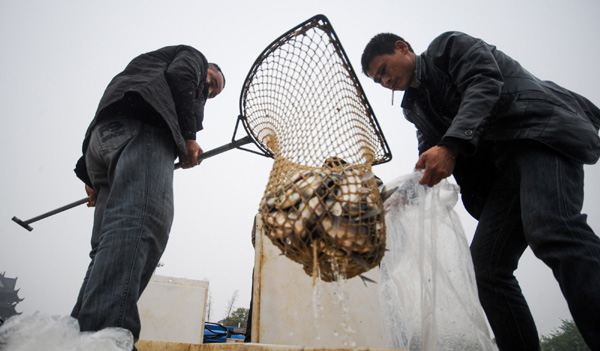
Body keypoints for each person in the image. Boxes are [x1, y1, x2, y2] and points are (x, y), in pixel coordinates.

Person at [361, 32, 600, 351]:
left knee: (552, 228)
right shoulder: (415, 108)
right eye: (378, 80)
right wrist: (404, 194)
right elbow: (427, 156)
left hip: (539, 135)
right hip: (506, 175)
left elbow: (484, 84)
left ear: (402, 48)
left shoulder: (449, 48)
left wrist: (451, 145)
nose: (385, 80)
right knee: (486, 269)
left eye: (384, 69)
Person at [71, 45, 225, 347]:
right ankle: (106, 338)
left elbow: (111, 109)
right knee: (141, 223)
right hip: (143, 131)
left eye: (214, 92)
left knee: (104, 245)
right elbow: (180, 75)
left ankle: (76, 338)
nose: (209, 90)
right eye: (211, 82)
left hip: (102, 145)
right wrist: (189, 137)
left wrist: (89, 175)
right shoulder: (192, 58)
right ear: (206, 68)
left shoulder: (139, 74)